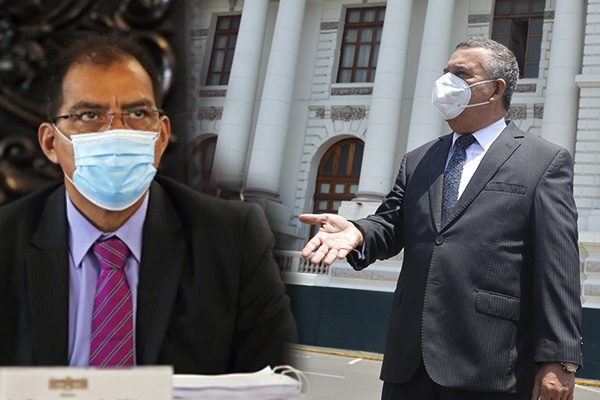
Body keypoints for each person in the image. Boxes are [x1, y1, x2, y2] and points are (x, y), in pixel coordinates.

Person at [300, 37, 582, 400]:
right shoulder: (419, 159)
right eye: (445, 72)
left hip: (491, 366)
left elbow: (558, 267)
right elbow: (391, 224)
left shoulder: (542, 161)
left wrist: (560, 359)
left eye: (460, 74)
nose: (445, 82)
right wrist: (357, 231)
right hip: (408, 363)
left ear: (496, 89)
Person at [0, 34, 296, 373]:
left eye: (137, 112)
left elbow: (272, 380)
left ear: (162, 135)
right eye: (89, 115)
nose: (116, 132)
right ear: (51, 143)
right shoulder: (6, 240)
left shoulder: (234, 238)